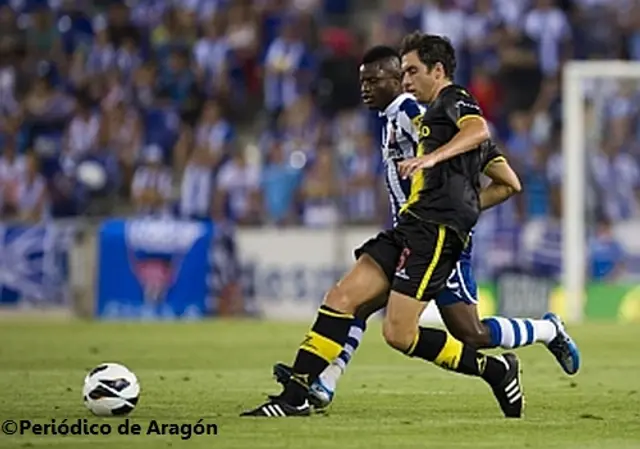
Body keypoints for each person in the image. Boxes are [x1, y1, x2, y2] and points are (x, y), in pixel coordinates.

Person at [271, 36, 580, 411]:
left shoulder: (411, 112)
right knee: (358, 303)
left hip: (435, 237)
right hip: (411, 234)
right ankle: (324, 384)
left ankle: (546, 331)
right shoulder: (394, 118)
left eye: (379, 80)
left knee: (471, 332)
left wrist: (448, 178)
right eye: (364, 82)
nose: (372, 88)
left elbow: (474, 144)